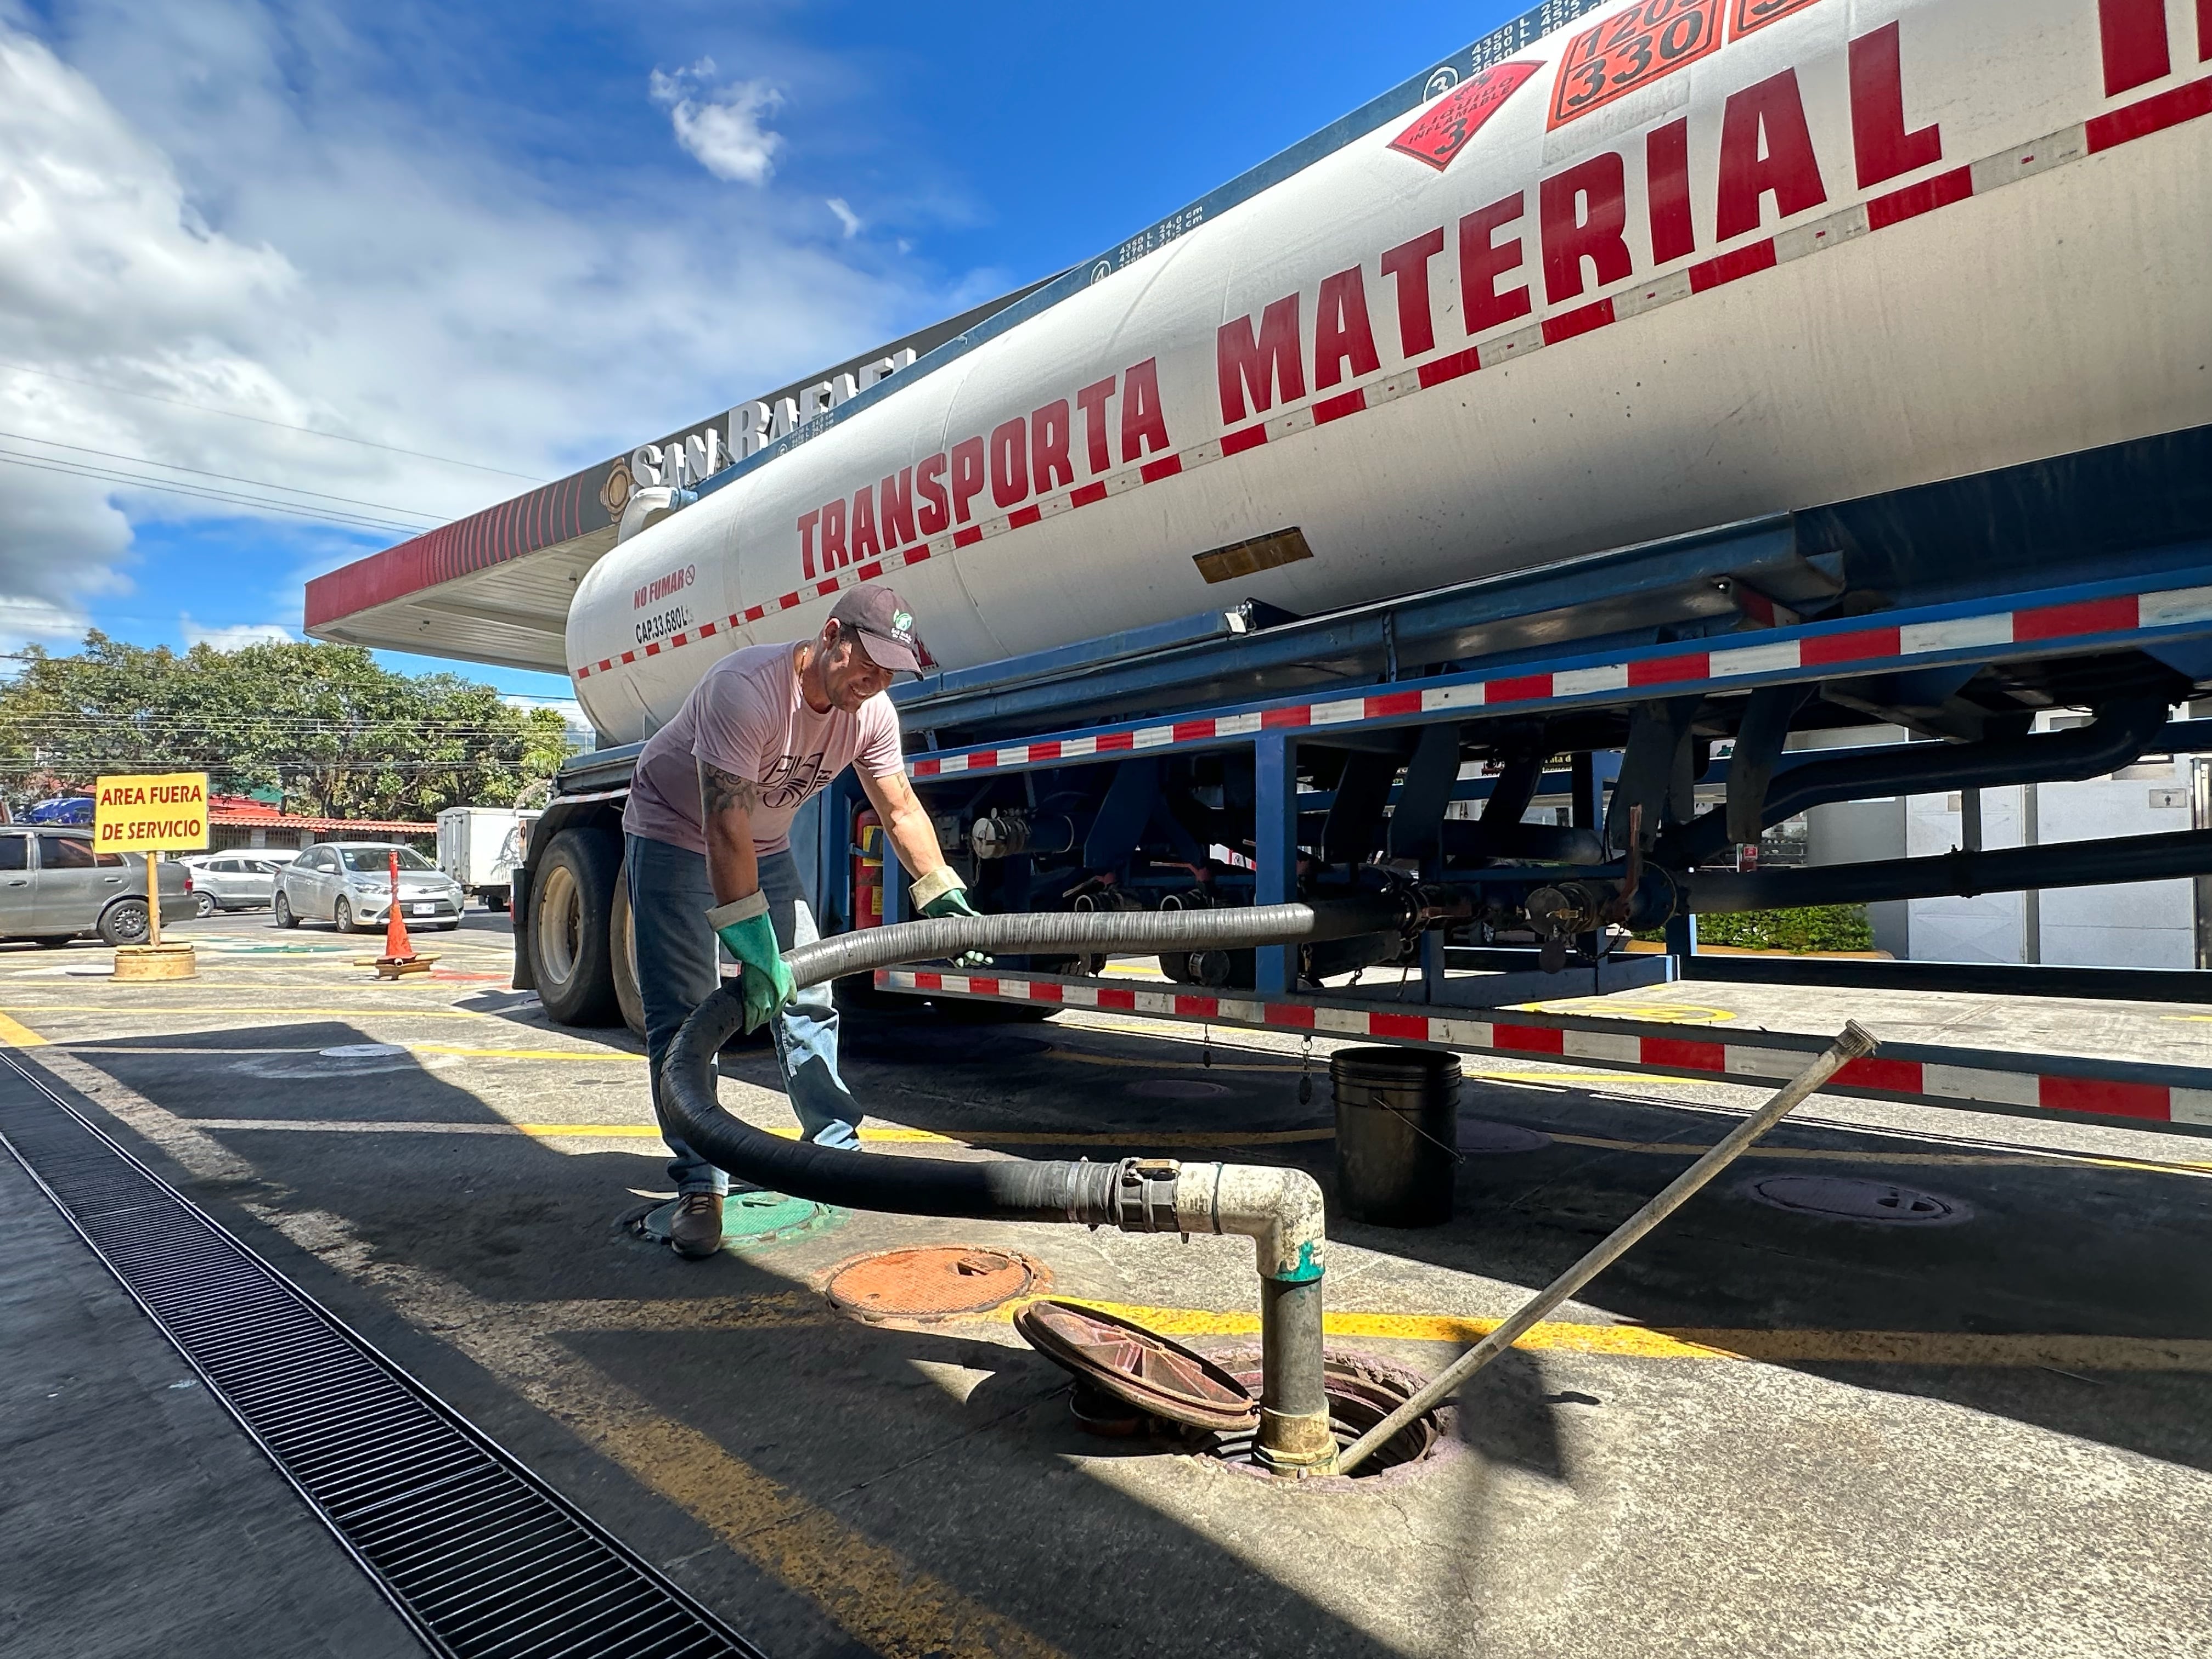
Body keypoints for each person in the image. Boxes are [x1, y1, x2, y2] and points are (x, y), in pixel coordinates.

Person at [622, 586, 981, 1258]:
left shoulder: (871, 714)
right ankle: (700, 1182)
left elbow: (898, 805)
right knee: (683, 1013)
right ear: (831, 635)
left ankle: (834, 1149)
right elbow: (722, 819)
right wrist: (753, 945)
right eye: (866, 664)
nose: (873, 683)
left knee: (810, 989)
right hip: (673, 830)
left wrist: (939, 889)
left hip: (763, 844)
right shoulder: (746, 689)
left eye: (888, 673)